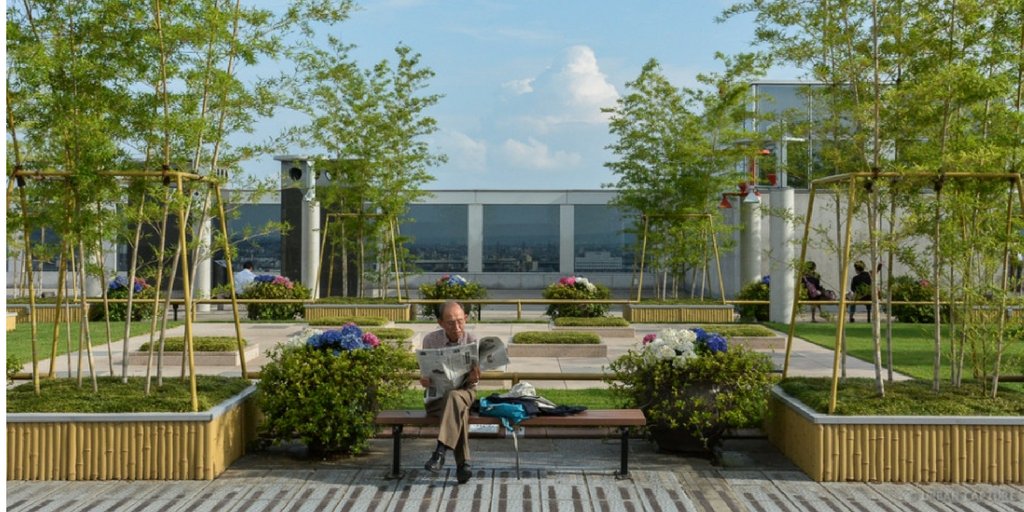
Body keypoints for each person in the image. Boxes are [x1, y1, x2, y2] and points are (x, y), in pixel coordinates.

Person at [421, 300, 479, 484]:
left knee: (455, 397)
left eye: (460, 321)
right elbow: (426, 375)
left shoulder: (472, 341)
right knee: (457, 408)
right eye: (450, 322)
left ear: (466, 318)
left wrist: (474, 375)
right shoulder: (430, 340)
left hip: (465, 392)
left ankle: (440, 451)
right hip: (438, 397)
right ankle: (464, 465)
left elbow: (476, 379)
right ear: (440, 323)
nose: (457, 326)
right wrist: (424, 380)